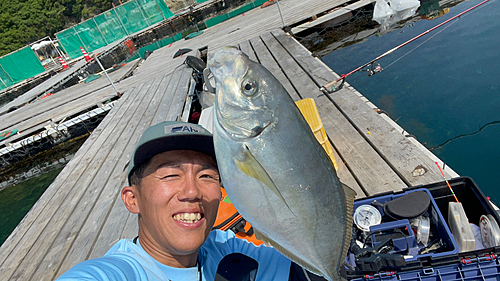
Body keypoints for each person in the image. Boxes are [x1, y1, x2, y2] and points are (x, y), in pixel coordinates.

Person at [57, 121, 325, 281]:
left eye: (207, 175)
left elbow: (305, 265)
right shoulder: (119, 272)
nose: (192, 191)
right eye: (171, 174)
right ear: (132, 199)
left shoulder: (224, 248)